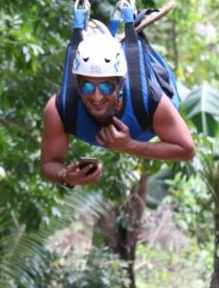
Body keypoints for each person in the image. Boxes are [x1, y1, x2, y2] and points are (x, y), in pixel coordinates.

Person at [41, 32, 195, 188]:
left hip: (143, 123)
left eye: (106, 87)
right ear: (77, 85)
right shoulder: (60, 108)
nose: (97, 97)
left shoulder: (148, 100)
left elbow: (187, 150)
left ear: (122, 84)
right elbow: (49, 162)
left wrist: (128, 145)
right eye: (87, 86)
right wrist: (65, 176)